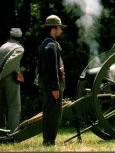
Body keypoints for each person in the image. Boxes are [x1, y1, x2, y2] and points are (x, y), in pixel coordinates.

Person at [37, 15, 66, 146]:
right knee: (54, 114)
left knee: (48, 113)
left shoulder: (44, 43)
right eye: (59, 28)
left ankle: (47, 140)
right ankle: (50, 141)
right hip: (52, 86)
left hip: (45, 84)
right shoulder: (51, 45)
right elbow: (52, 69)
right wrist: (55, 87)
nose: (61, 30)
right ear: (53, 29)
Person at [0, 28, 24, 133]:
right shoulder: (19, 48)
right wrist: (3, 75)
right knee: (14, 106)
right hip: (9, 76)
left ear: (10, 36)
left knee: (0, 105)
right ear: (20, 38)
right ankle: (12, 133)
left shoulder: (2, 47)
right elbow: (11, 62)